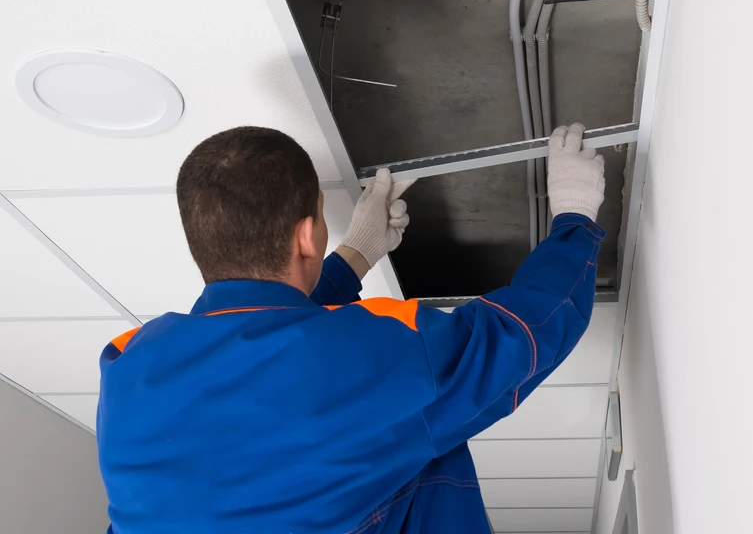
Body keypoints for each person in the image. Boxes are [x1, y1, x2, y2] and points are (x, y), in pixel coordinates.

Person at [97, 123, 606, 533]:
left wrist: (355, 257)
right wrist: (575, 216)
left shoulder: (127, 364)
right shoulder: (385, 348)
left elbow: (277, 360)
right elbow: (520, 336)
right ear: (306, 236)